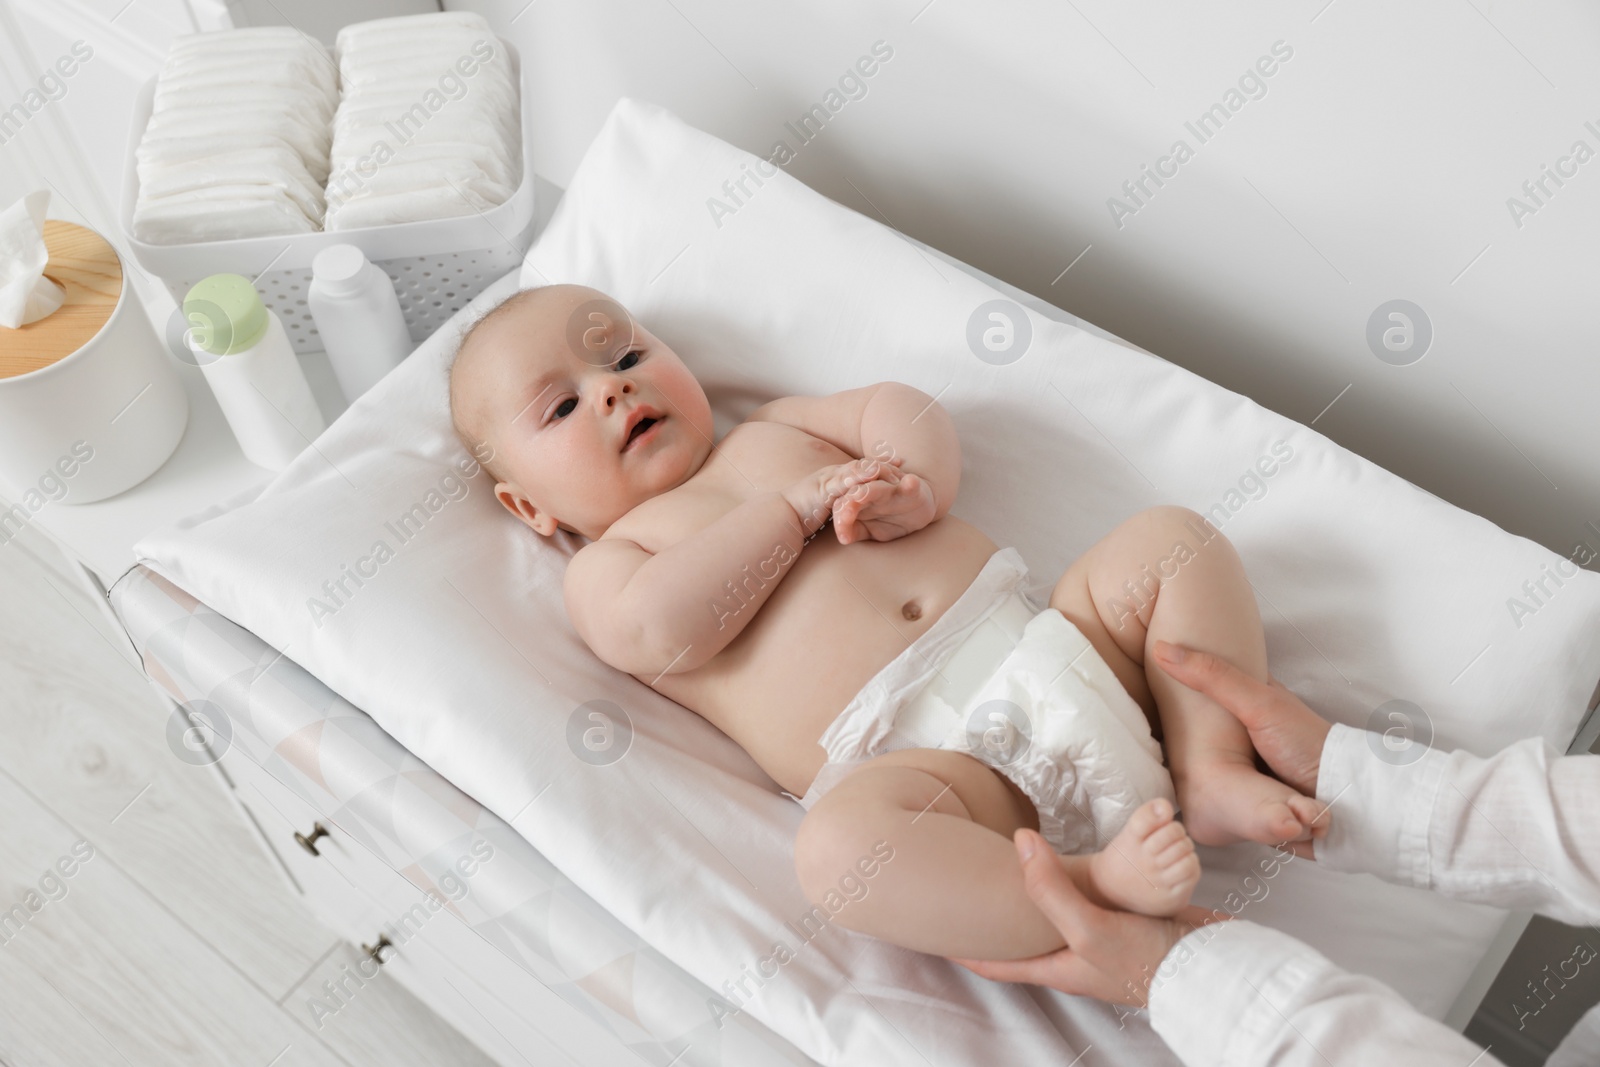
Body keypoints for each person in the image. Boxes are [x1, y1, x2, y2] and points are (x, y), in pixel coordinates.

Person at [447, 283, 1325, 963]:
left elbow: (896, 408)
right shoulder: (615, 560)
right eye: (560, 406)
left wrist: (916, 477)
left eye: (627, 353)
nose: (611, 387)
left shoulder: (775, 427)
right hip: (945, 779)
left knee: (1169, 541)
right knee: (839, 854)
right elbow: (661, 631)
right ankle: (1087, 884)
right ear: (530, 507)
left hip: (1060, 650)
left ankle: (1207, 761)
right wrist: (790, 513)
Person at [955, 638, 1600, 1066]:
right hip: (954, 751)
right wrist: (1351, 783)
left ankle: (1205, 772)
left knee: (1176, 541)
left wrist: (1174, 970)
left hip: (1016, 666)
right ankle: (1208, 774)